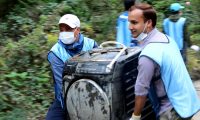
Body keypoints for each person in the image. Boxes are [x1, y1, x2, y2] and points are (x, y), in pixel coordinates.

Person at [128, 3, 200, 120]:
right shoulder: (167, 39)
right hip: (187, 102)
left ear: (149, 23)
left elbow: (141, 90)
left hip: (172, 111)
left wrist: (135, 116)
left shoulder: (148, 55)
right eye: (129, 22)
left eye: (134, 22)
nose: (129, 27)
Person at [46, 14, 98, 120]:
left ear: (78, 30)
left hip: (92, 92)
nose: (64, 32)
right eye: (62, 29)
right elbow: (61, 86)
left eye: (68, 29)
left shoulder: (91, 45)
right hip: (65, 97)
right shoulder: (55, 53)